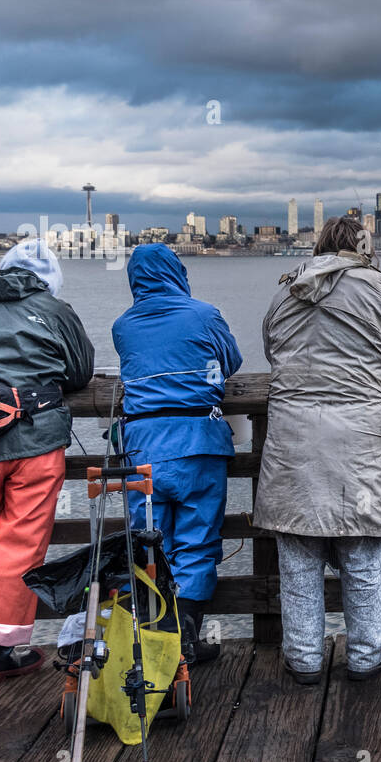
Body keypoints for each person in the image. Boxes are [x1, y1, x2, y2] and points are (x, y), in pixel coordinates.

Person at [255, 217, 381, 683]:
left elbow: (273, 351)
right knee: (363, 552)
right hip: (361, 445)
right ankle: (367, 654)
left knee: (298, 557)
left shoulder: (287, 290)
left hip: (292, 444)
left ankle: (305, 659)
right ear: (362, 248)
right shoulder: (379, 288)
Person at [0, 240, 95, 683]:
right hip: (35, 442)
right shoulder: (55, 309)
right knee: (20, 540)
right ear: (49, 279)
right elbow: (79, 372)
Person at [112, 243, 243, 665]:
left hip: (142, 447)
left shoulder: (123, 325)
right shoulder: (204, 315)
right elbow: (232, 361)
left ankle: (150, 645)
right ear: (178, 273)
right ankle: (184, 639)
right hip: (196, 444)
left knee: (149, 544)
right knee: (198, 540)